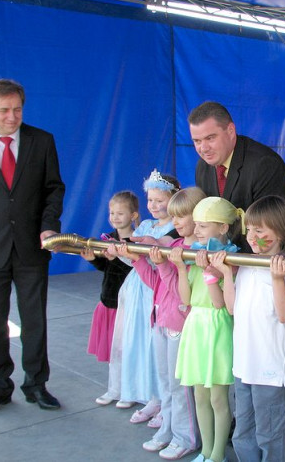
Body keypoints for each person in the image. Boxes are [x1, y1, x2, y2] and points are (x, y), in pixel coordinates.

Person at [0, 79, 65, 417]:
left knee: (34, 318)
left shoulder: (42, 141)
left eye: (17, 109)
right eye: (4, 110)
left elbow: (54, 189)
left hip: (32, 247)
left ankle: (36, 384)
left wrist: (50, 225)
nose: (12, 117)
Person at [210, 195, 285, 461]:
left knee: (270, 434)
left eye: (260, 230)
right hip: (244, 367)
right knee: (243, 433)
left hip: (270, 372)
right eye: (249, 229)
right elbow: (231, 308)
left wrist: (276, 278)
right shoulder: (248, 266)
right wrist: (226, 274)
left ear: (281, 231)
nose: (251, 236)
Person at [122, 187, 205, 460]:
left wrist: (166, 266)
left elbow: (185, 295)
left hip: (180, 325)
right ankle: (168, 428)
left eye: (182, 217)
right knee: (165, 383)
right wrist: (139, 261)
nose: (177, 223)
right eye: (175, 217)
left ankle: (186, 436)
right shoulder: (176, 246)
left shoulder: (197, 252)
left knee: (180, 386)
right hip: (160, 319)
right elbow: (157, 284)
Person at [189, 101, 285, 258]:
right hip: (230, 267)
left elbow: (270, 232)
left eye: (210, 138)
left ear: (230, 131)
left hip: (284, 268)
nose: (203, 148)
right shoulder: (203, 167)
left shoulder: (264, 164)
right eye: (197, 141)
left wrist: (234, 266)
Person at [171, 197, 242, 462]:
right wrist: (180, 267)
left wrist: (211, 273)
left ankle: (217, 454)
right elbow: (186, 299)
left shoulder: (229, 257)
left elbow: (218, 302)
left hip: (217, 325)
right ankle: (204, 451)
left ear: (223, 228)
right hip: (196, 326)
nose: (196, 230)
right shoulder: (197, 255)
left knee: (218, 398)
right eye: (196, 225)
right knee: (200, 394)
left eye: (203, 225)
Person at [112, 169, 179, 424]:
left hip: (161, 289)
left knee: (160, 348)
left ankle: (167, 401)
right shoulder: (144, 225)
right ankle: (153, 395)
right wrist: (121, 251)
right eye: (150, 200)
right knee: (143, 343)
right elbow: (133, 261)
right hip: (139, 289)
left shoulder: (176, 228)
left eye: (159, 200)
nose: (153, 205)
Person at [79, 191, 138, 405]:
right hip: (109, 301)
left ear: (133, 215)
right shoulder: (108, 238)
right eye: (112, 212)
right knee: (114, 353)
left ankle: (129, 391)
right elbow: (106, 267)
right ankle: (114, 388)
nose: (115, 217)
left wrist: (121, 257)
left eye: (120, 213)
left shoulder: (137, 240)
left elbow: (135, 271)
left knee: (127, 351)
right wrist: (94, 259)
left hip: (129, 305)